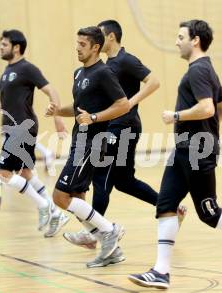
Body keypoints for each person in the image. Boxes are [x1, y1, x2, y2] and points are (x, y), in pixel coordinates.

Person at [127, 20, 222, 289]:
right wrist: (205, 131)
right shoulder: (206, 68)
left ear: (195, 40)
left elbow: (208, 108)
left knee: (209, 212)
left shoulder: (198, 70)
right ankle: (161, 272)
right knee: (165, 204)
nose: (176, 42)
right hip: (186, 148)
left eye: (180, 37)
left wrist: (177, 116)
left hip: (197, 150)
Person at [63, 20, 187, 268]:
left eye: (100, 33)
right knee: (124, 181)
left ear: (109, 37)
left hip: (123, 126)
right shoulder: (105, 66)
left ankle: (96, 233)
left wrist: (130, 102)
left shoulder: (126, 60)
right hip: (113, 126)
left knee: (101, 177)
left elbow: (153, 82)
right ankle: (172, 206)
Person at [46, 26, 130, 267]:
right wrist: (57, 111)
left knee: (60, 197)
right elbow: (79, 108)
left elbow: (123, 105)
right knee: (76, 196)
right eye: (77, 43)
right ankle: (111, 250)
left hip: (93, 144)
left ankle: (109, 229)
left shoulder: (104, 73)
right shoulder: (78, 73)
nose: (77, 48)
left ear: (95, 47)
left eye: (83, 45)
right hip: (79, 142)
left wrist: (94, 118)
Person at [0, 29, 69, 237]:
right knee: (26, 174)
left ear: (16, 47)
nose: (0, 47)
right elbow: (5, 101)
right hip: (12, 128)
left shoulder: (27, 68)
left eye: (4, 44)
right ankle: (56, 213)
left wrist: (58, 118)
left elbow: (52, 91)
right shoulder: (5, 73)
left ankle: (44, 205)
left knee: (4, 173)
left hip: (23, 127)